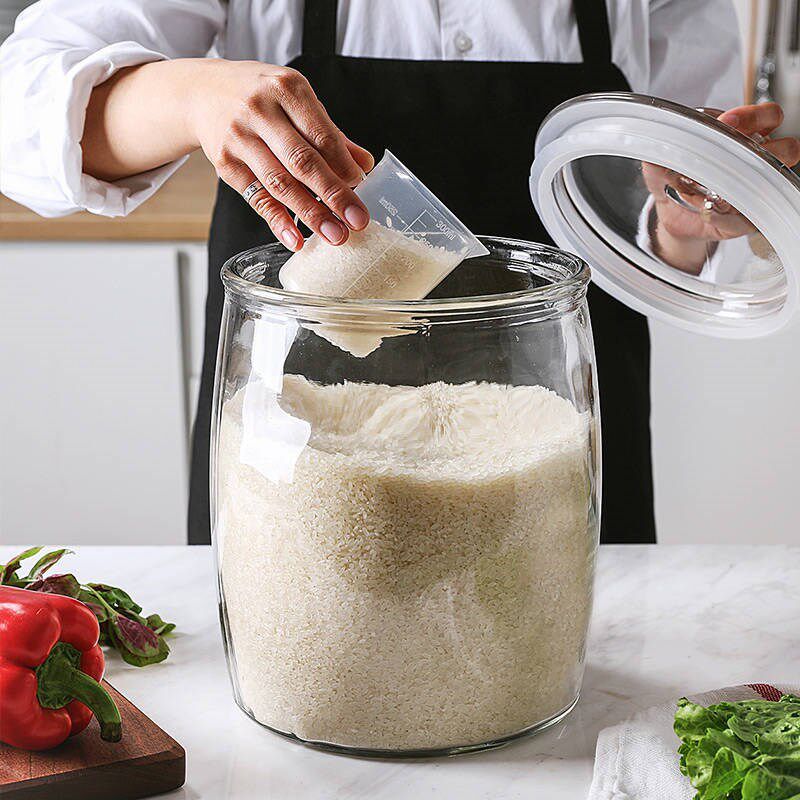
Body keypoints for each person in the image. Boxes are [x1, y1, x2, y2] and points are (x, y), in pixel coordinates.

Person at [2, 1, 798, 546]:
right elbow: (20, 112)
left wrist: (688, 214)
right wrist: (190, 97)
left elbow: (663, 215)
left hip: (549, 437)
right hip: (301, 437)